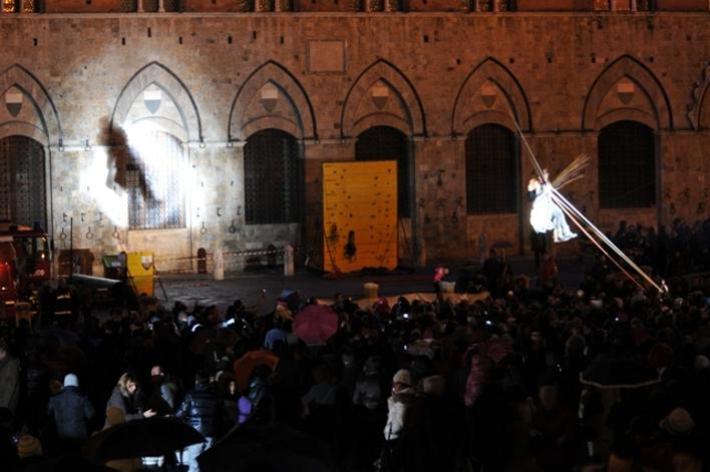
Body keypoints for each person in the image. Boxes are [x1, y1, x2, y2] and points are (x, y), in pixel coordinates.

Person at [175, 371, 223, 472]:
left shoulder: (191, 395)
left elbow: (180, 413)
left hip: (195, 435)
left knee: (194, 465)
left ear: (196, 381)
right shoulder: (214, 396)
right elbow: (220, 415)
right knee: (207, 465)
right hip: (210, 433)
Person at [528, 170, 577, 243]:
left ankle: (564, 233)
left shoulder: (547, 184)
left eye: (547, 175)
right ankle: (558, 235)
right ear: (540, 177)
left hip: (548, 204)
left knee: (559, 214)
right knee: (553, 220)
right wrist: (531, 189)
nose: (546, 177)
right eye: (545, 175)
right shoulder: (537, 184)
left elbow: (550, 191)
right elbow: (532, 196)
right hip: (542, 206)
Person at [47, 373, 95, 447]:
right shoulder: (82, 398)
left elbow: (49, 413)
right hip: (79, 436)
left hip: (61, 434)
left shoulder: (54, 399)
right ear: (76, 384)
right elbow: (90, 415)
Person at [0, 339, 20, 417]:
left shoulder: (11, 366)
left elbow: (9, 390)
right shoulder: (3, 361)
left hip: (6, 407)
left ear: (2, 351)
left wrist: (2, 407)